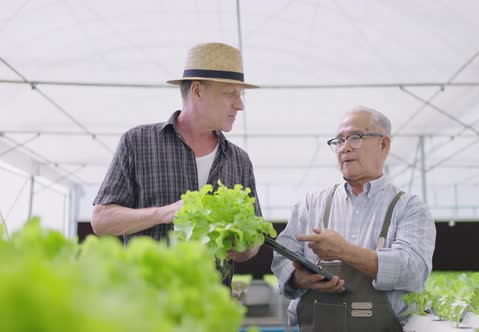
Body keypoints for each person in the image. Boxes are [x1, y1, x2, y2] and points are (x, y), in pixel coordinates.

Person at [92, 42, 261, 287]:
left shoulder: (239, 160)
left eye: (241, 94)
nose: (240, 104)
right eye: (230, 93)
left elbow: (255, 239)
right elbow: (101, 221)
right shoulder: (138, 142)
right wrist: (164, 213)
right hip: (148, 308)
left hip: (212, 309)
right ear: (197, 90)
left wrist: (243, 246)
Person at [271, 106, 436, 332]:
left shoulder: (408, 207)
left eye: (356, 137)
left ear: (383, 144)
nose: (345, 147)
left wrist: (343, 251)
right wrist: (298, 279)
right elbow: (282, 258)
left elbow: (413, 270)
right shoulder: (311, 204)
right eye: (338, 141)